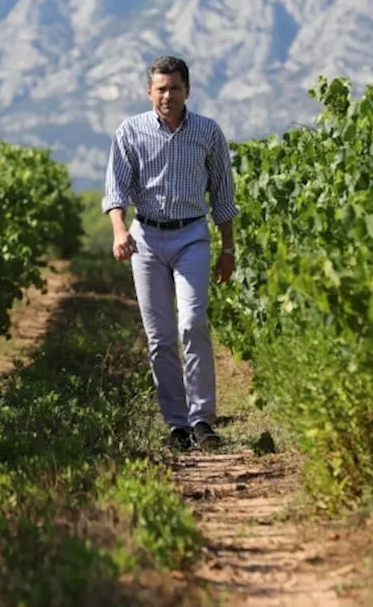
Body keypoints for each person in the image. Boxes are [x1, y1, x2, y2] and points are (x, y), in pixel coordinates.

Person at [101, 55, 239, 452]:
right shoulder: (130, 132)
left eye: (174, 88)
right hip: (146, 239)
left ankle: (202, 420)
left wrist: (227, 249)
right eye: (160, 88)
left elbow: (224, 198)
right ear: (149, 92)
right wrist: (119, 231)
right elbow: (116, 192)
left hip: (192, 235)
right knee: (159, 336)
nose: (167, 95)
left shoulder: (208, 133)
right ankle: (176, 424)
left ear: (187, 90)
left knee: (193, 323)